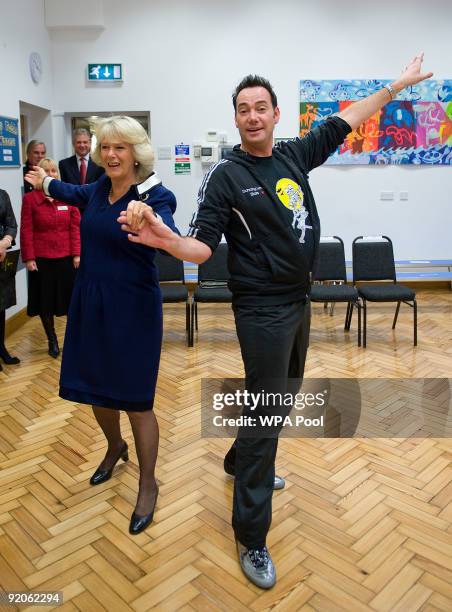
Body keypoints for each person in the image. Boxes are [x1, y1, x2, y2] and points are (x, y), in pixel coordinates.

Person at [119, 54, 432, 587]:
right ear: (237, 119)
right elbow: (201, 248)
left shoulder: (292, 155)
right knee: (268, 412)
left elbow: (348, 119)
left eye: (261, 107)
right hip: (261, 308)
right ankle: (252, 535)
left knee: (280, 394)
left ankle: (240, 460)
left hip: (299, 298)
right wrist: (166, 240)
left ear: (277, 114)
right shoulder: (225, 176)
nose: (252, 116)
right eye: (243, 110)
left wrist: (395, 87)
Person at [25, 116, 178, 535]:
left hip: (134, 309)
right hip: (90, 303)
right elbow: (66, 190)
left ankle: (149, 483)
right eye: (105, 147)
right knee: (96, 389)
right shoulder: (95, 190)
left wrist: (152, 221)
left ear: (136, 153)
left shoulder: (155, 195)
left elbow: (169, 233)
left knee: (136, 400)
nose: (111, 155)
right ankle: (114, 447)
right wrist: (43, 183)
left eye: (120, 147)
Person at [20, 158, 81, 358]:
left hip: (66, 258)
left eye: (54, 170)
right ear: (40, 174)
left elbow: (75, 228)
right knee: (45, 302)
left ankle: (74, 340)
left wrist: (77, 253)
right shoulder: (30, 199)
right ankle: (52, 339)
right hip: (42, 259)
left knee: (72, 301)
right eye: (47, 170)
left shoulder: (68, 196)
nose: (51, 174)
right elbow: (26, 230)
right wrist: (28, 258)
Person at [0, 189, 20, 370]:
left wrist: (4, 242)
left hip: (1, 258)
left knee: (0, 307)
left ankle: (1, 348)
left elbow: (11, 225)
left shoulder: (2, 195)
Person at [59, 128, 104, 201]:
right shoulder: (64, 165)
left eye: (85, 142)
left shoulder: (99, 164)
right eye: (79, 142)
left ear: (90, 143)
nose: (82, 145)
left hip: (93, 205)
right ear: (73, 144)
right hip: (72, 206)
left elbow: (101, 189)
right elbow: (64, 189)